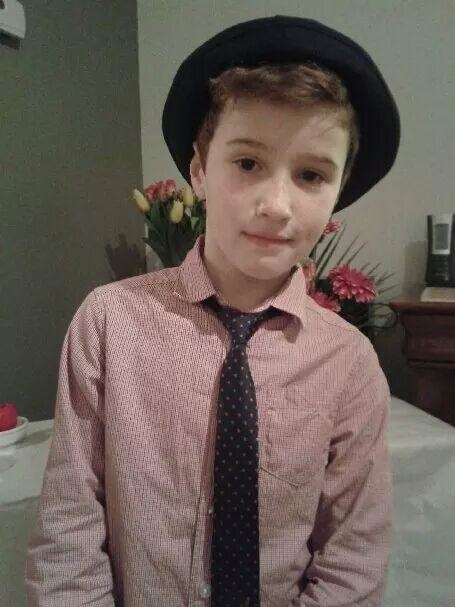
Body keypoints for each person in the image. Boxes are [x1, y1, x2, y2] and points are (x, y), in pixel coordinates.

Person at [25, 15, 400, 607]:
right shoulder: (108, 323)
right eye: (247, 163)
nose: (276, 205)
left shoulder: (349, 364)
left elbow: (352, 560)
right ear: (199, 170)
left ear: (337, 193)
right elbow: (68, 535)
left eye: (310, 175)